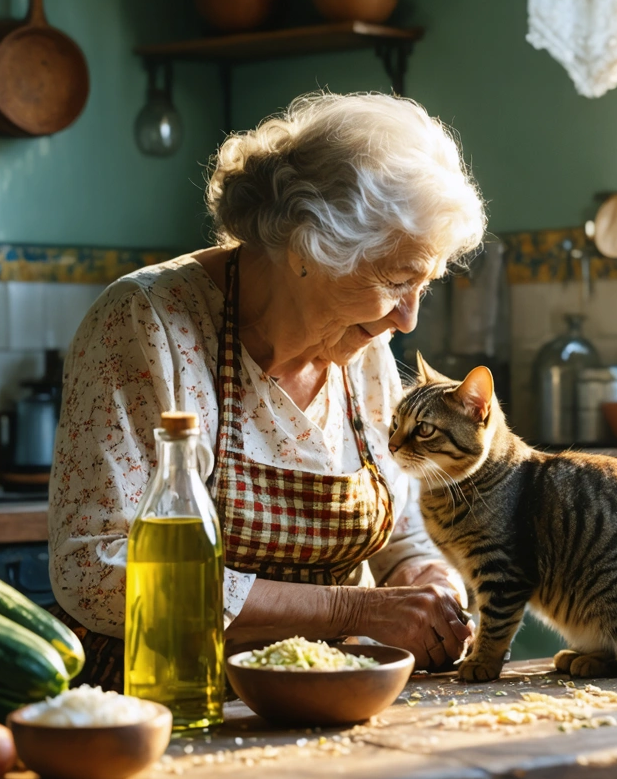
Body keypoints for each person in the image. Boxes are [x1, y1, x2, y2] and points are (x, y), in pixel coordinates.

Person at [49, 91, 486, 686]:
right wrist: (351, 611)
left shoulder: (364, 350)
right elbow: (98, 570)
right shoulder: (148, 324)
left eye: (423, 284)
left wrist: (430, 585)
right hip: (168, 697)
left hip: (330, 690)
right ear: (310, 249)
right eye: (396, 281)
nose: (408, 319)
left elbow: (404, 535)